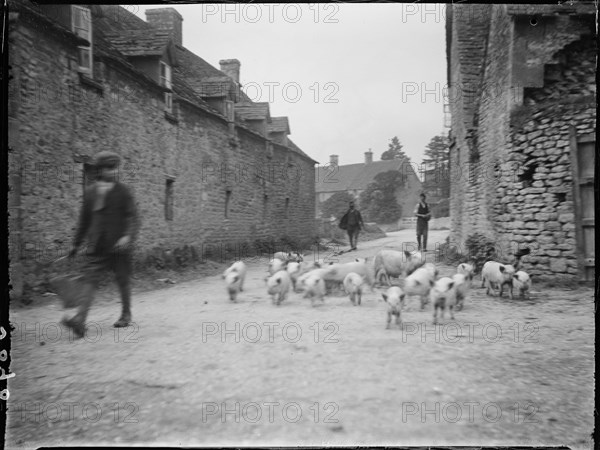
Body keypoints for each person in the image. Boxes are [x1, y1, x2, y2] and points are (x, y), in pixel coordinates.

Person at [62, 151, 139, 338]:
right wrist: (75, 244)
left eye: (115, 168)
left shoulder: (123, 192)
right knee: (89, 280)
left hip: (120, 247)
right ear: (99, 170)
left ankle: (126, 313)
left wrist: (127, 236)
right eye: (109, 168)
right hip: (97, 246)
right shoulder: (90, 193)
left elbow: (134, 218)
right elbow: (84, 221)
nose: (113, 172)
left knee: (122, 279)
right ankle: (80, 321)